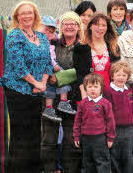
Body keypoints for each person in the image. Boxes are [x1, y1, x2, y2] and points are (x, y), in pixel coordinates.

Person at [1, 0, 53, 173]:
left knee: (34, 135)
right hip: (18, 92)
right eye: (22, 13)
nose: (26, 16)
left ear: (35, 15)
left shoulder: (43, 37)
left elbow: (47, 62)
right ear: (17, 16)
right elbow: (18, 65)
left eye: (30, 12)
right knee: (21, 136)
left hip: (38, 92)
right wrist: (35, 83)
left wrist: (43, 84)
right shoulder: (14, 36)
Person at [40, 11, 84, 173]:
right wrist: (50, 75)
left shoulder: (83, 46)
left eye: (73, 23)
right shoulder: (53, 43)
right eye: (66, 23)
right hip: (51, 98)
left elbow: (81, 71)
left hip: (72, 98)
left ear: (79, 27)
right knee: (49, 138)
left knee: (71, 139)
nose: (69, 26)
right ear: (61, 27)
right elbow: (43, 60)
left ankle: (70, 170)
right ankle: (50, 170)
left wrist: (58, 78)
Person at [73, 73, 116, 173]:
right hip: (86, 138)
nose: (93, 89)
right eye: (90, 86)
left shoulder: (105, 103)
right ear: (85, 88)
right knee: (88, 162)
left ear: (101, 88)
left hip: (100, 138)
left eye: (96, 86)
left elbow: (111, 121)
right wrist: (76, 136)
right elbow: (78, 120)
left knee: (102, 162)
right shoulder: (83, 103)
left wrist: (110, 137)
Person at [73, 12, 120, 99]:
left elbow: (118, 72)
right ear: (90, 26)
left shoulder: (113, 47)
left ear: (107, 28)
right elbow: (79, 74)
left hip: (110, 92)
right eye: (97, 24)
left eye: (103, 25)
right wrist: (85, 96)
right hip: (88, 92)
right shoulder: (81, 47)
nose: (100, 28)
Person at [40, 15, 75, 122]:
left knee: (50, 87)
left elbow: (56, 37)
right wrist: (54, 66)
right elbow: (47, 56)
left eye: (51, 31)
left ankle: (49, 108)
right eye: (46, 30)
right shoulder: (41, 43)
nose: (48, 33)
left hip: (47, 69)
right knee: (65, 78)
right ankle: (63, 101)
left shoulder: (50, 41)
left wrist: (52, 35)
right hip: (49, 67)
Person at [103, 62, 133, 173]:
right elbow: (107, 113)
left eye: (124, 75)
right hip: (115, 130)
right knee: (114, 157)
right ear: (112, 76)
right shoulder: (108, 91)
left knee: (128, 156)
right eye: (118, 75)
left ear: (127, 77)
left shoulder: (129, 91)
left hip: (129, 130)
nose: (121, 78)